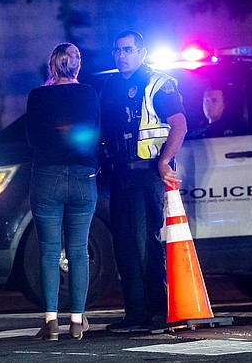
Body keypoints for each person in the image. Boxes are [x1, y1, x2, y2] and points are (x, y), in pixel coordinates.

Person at [100, 30, 187, 333]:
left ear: (142, 52)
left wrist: (164, 160)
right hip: (120, 173)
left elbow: (179, 124)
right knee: (124, 244)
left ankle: (157, 311)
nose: (121, 55)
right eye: (117, 50)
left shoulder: (157, 83)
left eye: (127, 50)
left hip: (146, 173)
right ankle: (135, 312)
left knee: (145, 242)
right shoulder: (111, 84)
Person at [26, 43, 100, 341]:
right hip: (83, 175)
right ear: (77, 66)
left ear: (51, 66)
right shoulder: (89, 93)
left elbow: (31, 137)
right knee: (79, 250)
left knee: (48, 250)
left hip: (46, 176)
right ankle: (77, 319)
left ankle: (50, 320)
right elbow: (95, 132)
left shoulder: (37, 96)